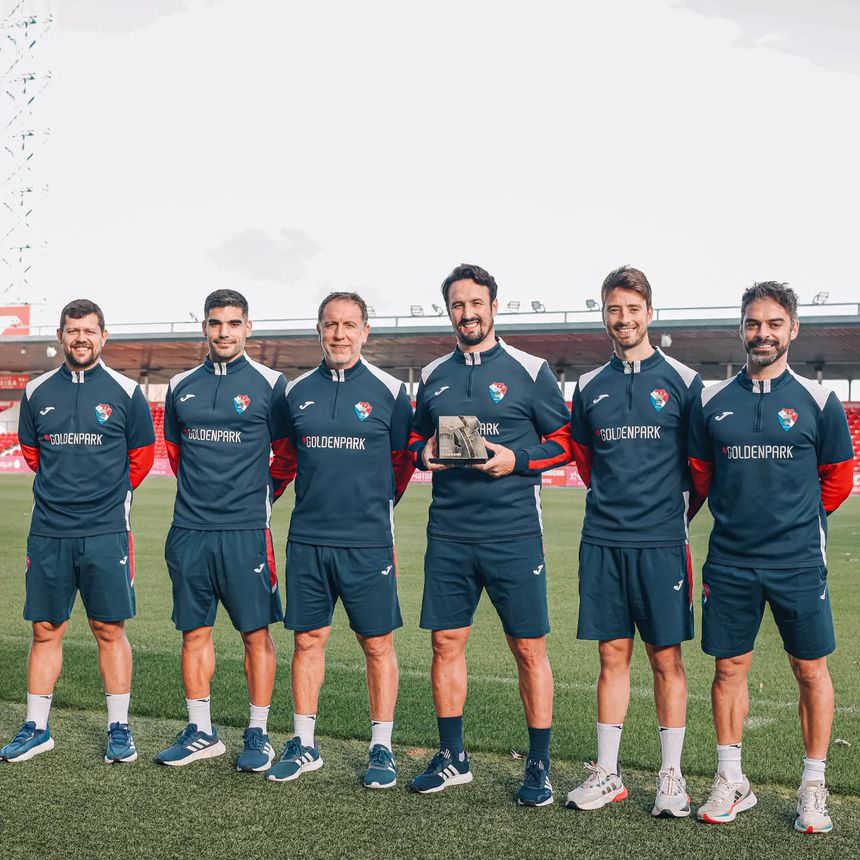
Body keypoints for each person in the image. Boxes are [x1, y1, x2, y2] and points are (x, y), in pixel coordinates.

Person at [688, 281, 854, 833]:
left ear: (793, 329)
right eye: (753, 323)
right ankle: (731, 779)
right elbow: (702, 476)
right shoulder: (711, 401)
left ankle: (813, 785)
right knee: (728, 668)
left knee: (810, 669)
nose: (763, 333)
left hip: (798, 562)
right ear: (741, 328)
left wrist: (796, 521)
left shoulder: (819, 401)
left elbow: (837, 479)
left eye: (774, 324)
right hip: (730, 562)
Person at [407, 263, 571, 806]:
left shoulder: (531, 369)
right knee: (445, 643)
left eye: (476, 303)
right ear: (448, 311)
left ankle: (539, 764)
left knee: (528, 648)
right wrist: (424, 454)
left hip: (514, 534)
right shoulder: (433, 373)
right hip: (449, 534)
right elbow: (413, 441)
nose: (467, 313)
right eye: (458, 304)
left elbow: (564, 442)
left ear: (494, 307)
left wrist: (516, 460)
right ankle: (453, 756)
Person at [566, 266, 703, 817]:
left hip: (662, 542)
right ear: (604, 315)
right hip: (603, 540)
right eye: (613, 310)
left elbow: (700, 468)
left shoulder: (684, 382)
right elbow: (585, 461)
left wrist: (667, 514)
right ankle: (608, 772)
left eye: (632, 309)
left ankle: (671, 776)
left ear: (650, 312)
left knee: (665, 656)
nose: (623, 319)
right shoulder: (588, 386)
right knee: (611, 655)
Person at [265, 291, 414, 788]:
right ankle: (304, 743)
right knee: (307, 640)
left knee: (376, 643)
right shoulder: (294, 393)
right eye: (331, 324)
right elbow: (285, 459)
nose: (339, 334)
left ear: (365, 331)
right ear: (319, 330)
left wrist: (373, 506)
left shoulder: (391, 391)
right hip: (308, 540)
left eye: (349, 325)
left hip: (368, 542)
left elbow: (401, 463)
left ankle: (381, 748)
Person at [0, 299, 155, 764]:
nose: (80, 338)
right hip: (49, 531)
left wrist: (103, 498)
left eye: (89, 330)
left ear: (103, 336)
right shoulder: (36, 391)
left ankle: (119, 727)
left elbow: (141, 458)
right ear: (60, 337)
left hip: (106, 531)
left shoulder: (127, 391)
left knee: (109, 628)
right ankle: (36, 727)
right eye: (72, 330)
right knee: (46, 628)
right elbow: (32, 453)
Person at [155, 289, 291, 773]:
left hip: (245, 531)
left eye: (234, 323)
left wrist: (259, 494)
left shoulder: (272, 384)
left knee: (255, 633)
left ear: (248, 328)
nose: (224, 332)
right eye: (215, 323)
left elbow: (286, 455)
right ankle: (201, 731)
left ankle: (258, 733)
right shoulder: (180, 385)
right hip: (190, 530)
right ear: (205, 327)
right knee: (194, 633)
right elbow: (176, 452)